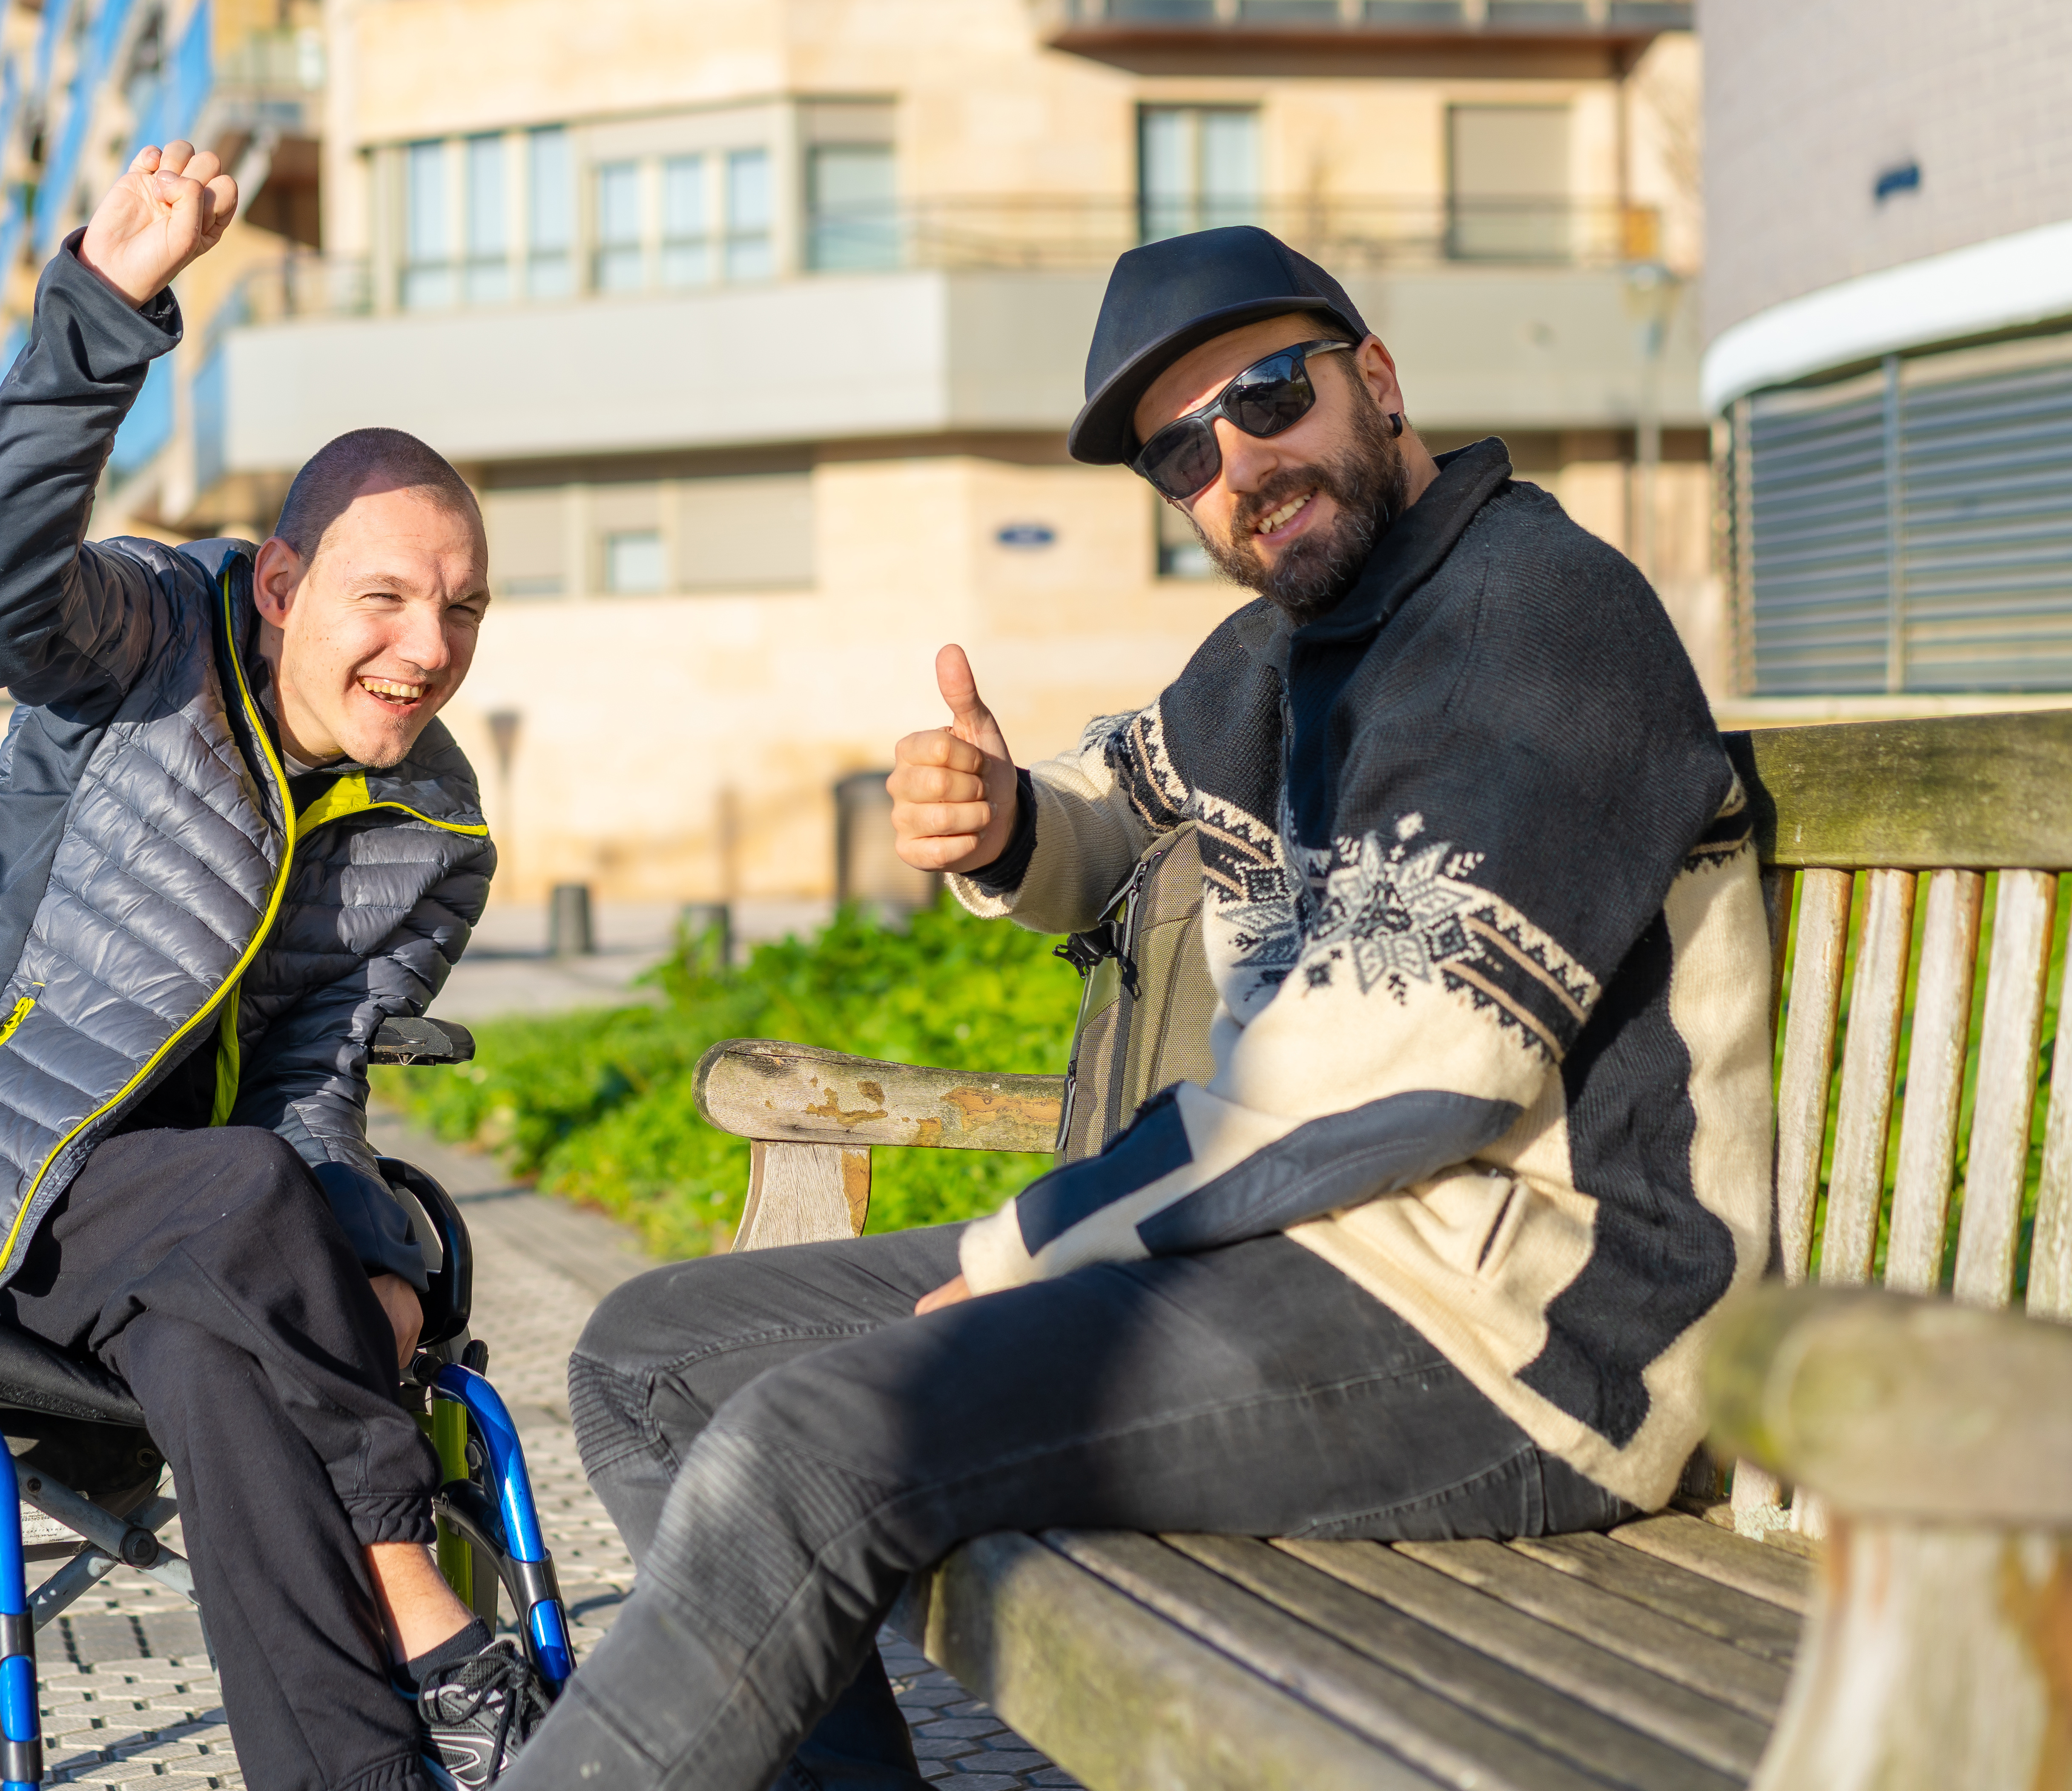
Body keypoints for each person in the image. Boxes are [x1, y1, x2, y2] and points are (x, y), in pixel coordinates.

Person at [508, 226, 1774, 1791]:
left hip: (1522, 1333)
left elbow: (1398, 1080)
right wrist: (1006, 825)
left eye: (1267, 395)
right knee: (653, 1356)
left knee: (813, 1443)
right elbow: (1119, 812)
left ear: (1375, 380)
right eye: (1184, 451)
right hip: (1308, 1255)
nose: (1238, 459)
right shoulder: (1278, 651)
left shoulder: (1535, 622)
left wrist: (1020, 1252)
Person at [0, 141, 544, 1791]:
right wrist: (111, 303)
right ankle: (427, 1604)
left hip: (202, 1252)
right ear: (282, 585)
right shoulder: (144, 639)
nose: (427, 648)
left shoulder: (434, 824)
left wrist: (355, 1251)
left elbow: (318, 1080)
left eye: (465, 610)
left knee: (234, 1351)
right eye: (384, 597)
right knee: (234, 1207)